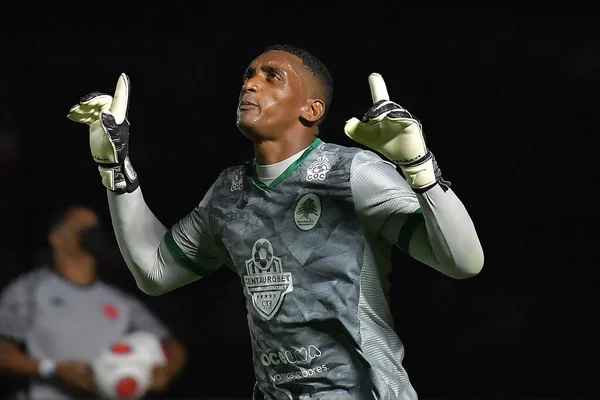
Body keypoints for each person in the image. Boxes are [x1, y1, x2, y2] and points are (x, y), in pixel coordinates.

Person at [67, 44, 484, 400]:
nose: (251, 84)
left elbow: (464, 262)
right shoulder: (229, 193)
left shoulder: (352, 172)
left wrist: (418, 165)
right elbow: (154, 272)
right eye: (249, 75)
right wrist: (114, 170)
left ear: (311, 108)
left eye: (272, 77)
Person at [0, 206, 187, 400]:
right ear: (56, 238)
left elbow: (172, 345)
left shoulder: (119, 301)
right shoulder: (29, 290)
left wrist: (166, 370)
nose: (92, 230)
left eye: (95, 226)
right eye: (82, 226)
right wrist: (51, 369)